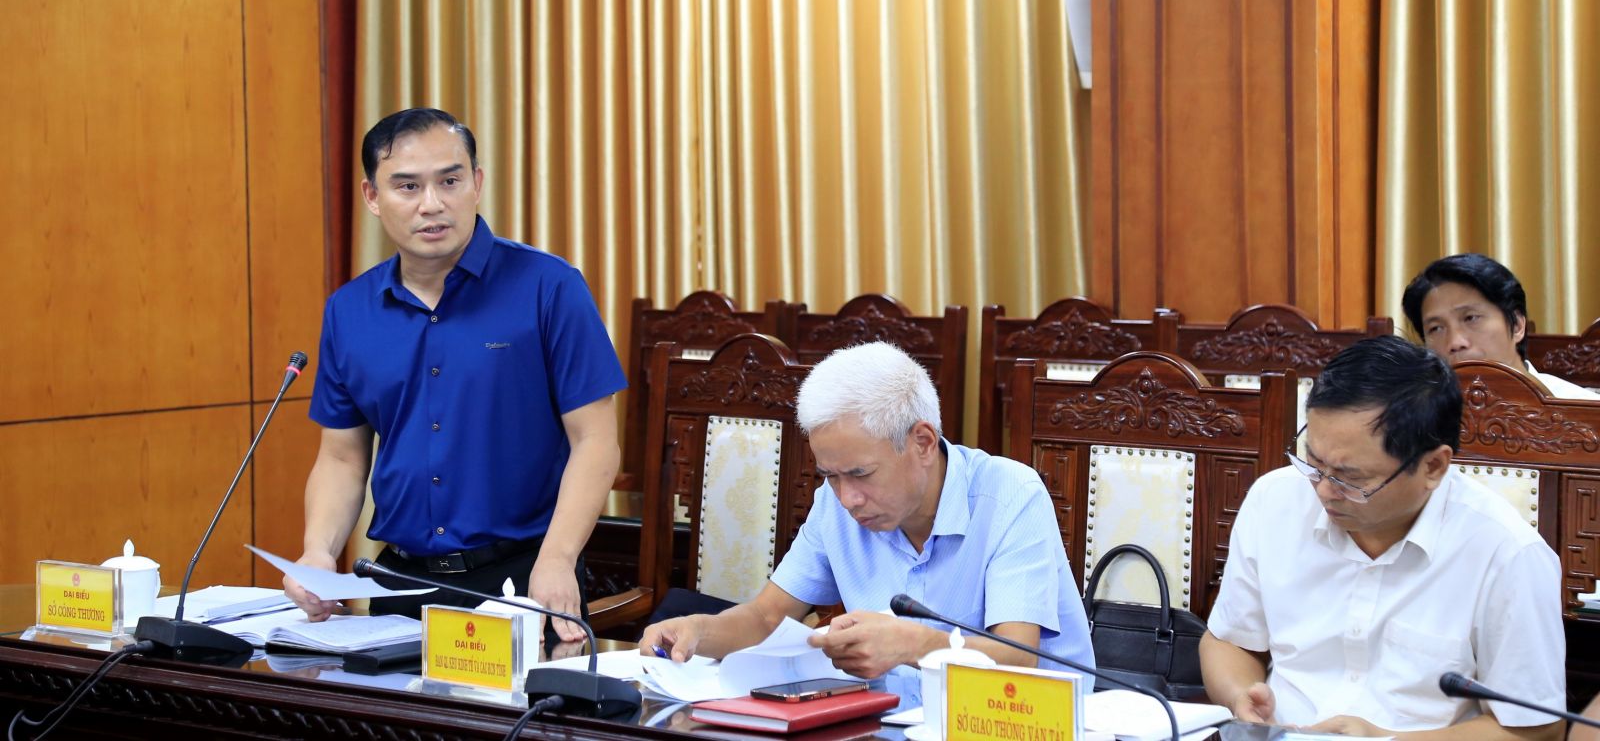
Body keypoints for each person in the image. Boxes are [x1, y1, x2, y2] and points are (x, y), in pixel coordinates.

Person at [282, 108, 625, 641]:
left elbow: (596, 442)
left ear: (477, 183)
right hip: (398, 584)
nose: (432, 204)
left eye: (449, 181)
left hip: (523, 580)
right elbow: (342, 457)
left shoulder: (549, 287)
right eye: (408, 186)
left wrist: (558, 559)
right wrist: (318, 552)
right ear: (372, 197)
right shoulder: (349, 311)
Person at [637, 341, 1094, 680]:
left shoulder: (1010, 494)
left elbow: (1017, 660)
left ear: (922, 443)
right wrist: (699, 630)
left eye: (860, 474)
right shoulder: (834, 505)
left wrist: (913, 644)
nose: (847, 498)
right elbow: (766, 618)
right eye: (831, 476)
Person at [1201, 336, 1565, 740]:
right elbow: (1229, 641)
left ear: (1433, 466)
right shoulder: (1275, 499)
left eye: (1350, 478)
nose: (1323, 490)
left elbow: (1535, 729)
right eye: (1314, 463)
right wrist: (1241, 699)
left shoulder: (1507, 554)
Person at [1402, 253, 1599, 401]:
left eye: (1470, 318)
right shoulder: (1414, 421)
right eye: (1436, 328)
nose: (1455, 343)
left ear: (1517, 325)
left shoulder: (1584, 411)